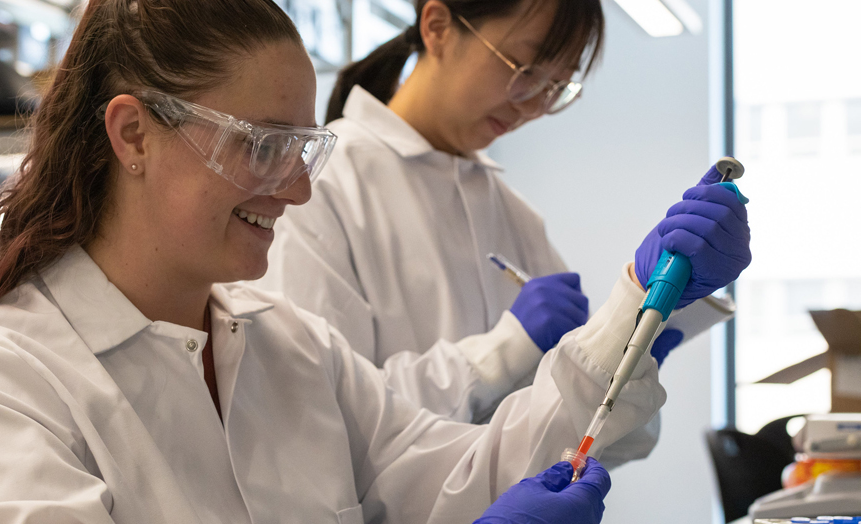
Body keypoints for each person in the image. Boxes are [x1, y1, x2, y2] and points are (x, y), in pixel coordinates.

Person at [0, 0, 746, 524]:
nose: (296, 193)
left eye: (302, 151)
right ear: (132, 133)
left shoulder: (288, 347)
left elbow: (459, 479)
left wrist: (638, 310)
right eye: (263, 146)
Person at [259, 0, 725, 434]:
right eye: (525, 71)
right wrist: (503, 352)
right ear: (438, 27)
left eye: (556, 88)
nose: (532, 106)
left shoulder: (515, 215)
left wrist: (624, 367)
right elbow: (321, 408)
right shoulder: (321, 186)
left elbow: (566, 431)